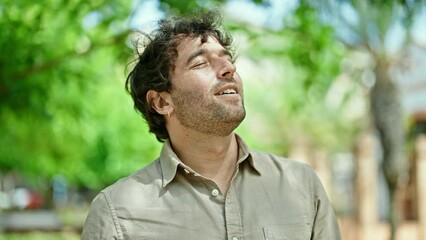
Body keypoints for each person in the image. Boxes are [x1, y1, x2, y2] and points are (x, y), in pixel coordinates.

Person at [81, 11, 341, 240]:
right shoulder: (116, 213)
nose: (228, 69)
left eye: (227, 59)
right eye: (201, 63)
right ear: (161, 101)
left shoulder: (302, 185)